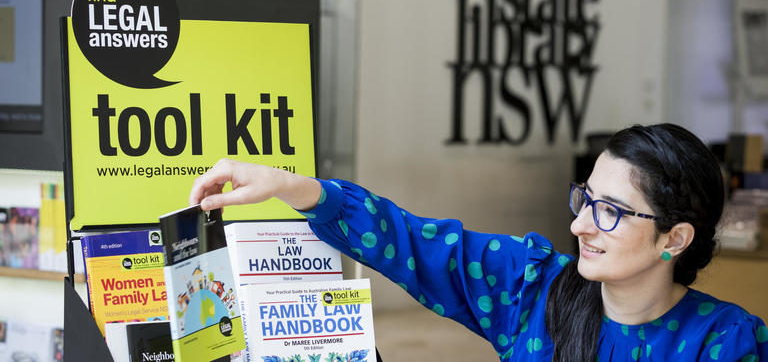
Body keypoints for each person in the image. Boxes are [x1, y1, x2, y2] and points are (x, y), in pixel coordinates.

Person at [189, 123, 768, 361]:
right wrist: (297, 188)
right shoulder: (531, 287)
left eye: (612, 212)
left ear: (676, 237)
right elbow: (412, 242)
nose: (581, 225)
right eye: (586, 198)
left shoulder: (727, 343)